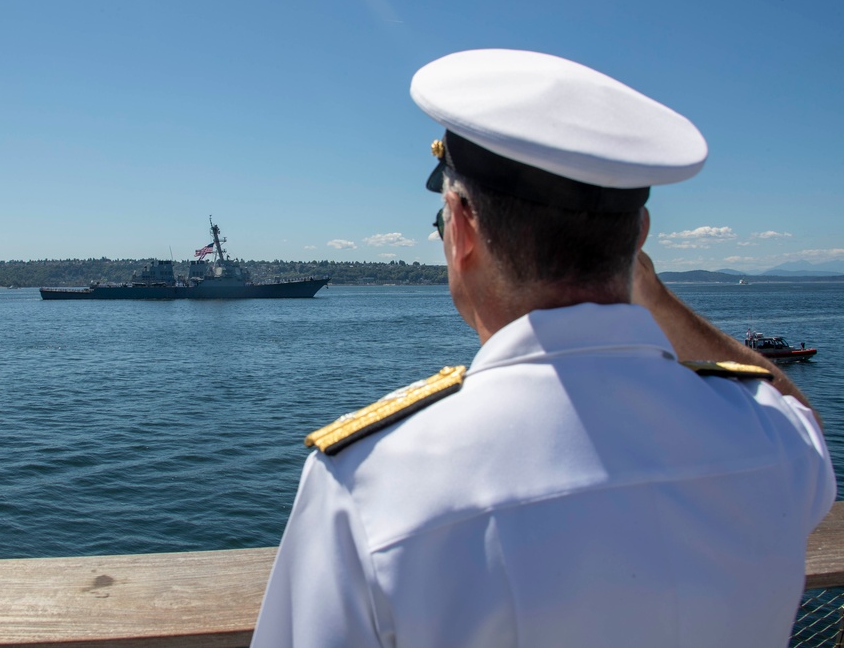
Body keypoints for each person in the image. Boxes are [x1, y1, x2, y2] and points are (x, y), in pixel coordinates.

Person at [250, 49, 835, 648]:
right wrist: (651, 294)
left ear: (462, 227)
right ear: (639, 237)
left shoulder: (366, 485)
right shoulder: (770, 438)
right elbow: (798, 420)